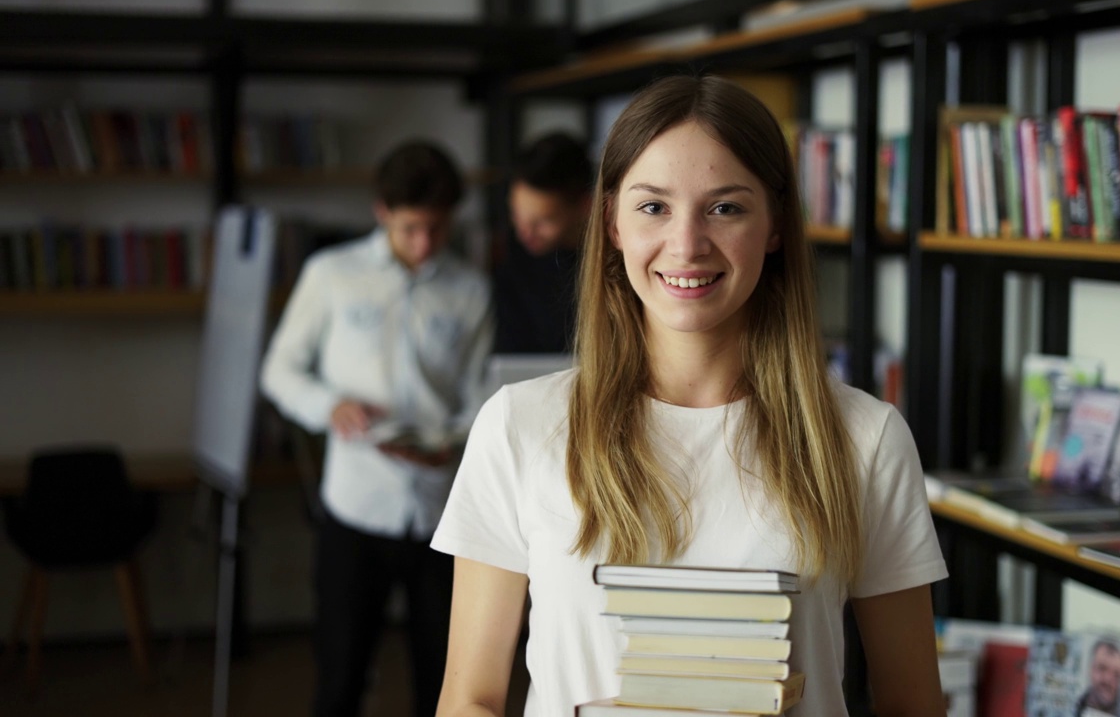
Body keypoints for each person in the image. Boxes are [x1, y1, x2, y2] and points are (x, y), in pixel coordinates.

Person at [430, 75, 948, 717]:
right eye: (654, 207)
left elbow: (912, 704)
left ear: (777, 225)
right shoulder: (518, 424)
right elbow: (472, 698)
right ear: (612, 222)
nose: (687, 244)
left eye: (725, 207)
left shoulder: (864, 437)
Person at [259, 140, 494, 717]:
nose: (424, 244)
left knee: (444, 683)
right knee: (339, 679)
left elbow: (482, 394)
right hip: (355, 509)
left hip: (443, 514)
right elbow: (279, 370)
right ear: (381, 211)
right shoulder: (331, 275)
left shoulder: (471, 289)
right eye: (411, 227)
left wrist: (459, 439)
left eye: (437, 229)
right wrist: (329, 405)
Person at [494, 131, 592, 353]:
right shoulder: (515, 260)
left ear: (585, 206)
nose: (525, 232)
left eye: (543, 221)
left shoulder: (615, 263)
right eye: (517, 215)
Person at [1077, 639, 1120, 717]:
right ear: (1091, 669)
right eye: (1102, 668)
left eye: (1116, 674)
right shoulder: (1072, 706)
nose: (1107, 679)